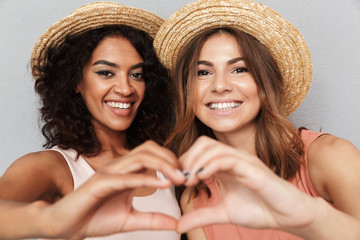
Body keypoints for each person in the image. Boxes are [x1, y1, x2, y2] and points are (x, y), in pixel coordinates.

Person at [153, 0, 360, 239]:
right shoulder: (195, 197)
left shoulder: (330, 156)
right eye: (203, 72)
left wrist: (308, 217)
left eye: (239, 69)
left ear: (265, 82)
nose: (220, 86)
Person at [0, 2, 184, 239]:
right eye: (106, 72)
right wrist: (48, 220)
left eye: (136, 74)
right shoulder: (53, 167)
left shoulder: (164, 165)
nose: (126, 89)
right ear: (75, 81)